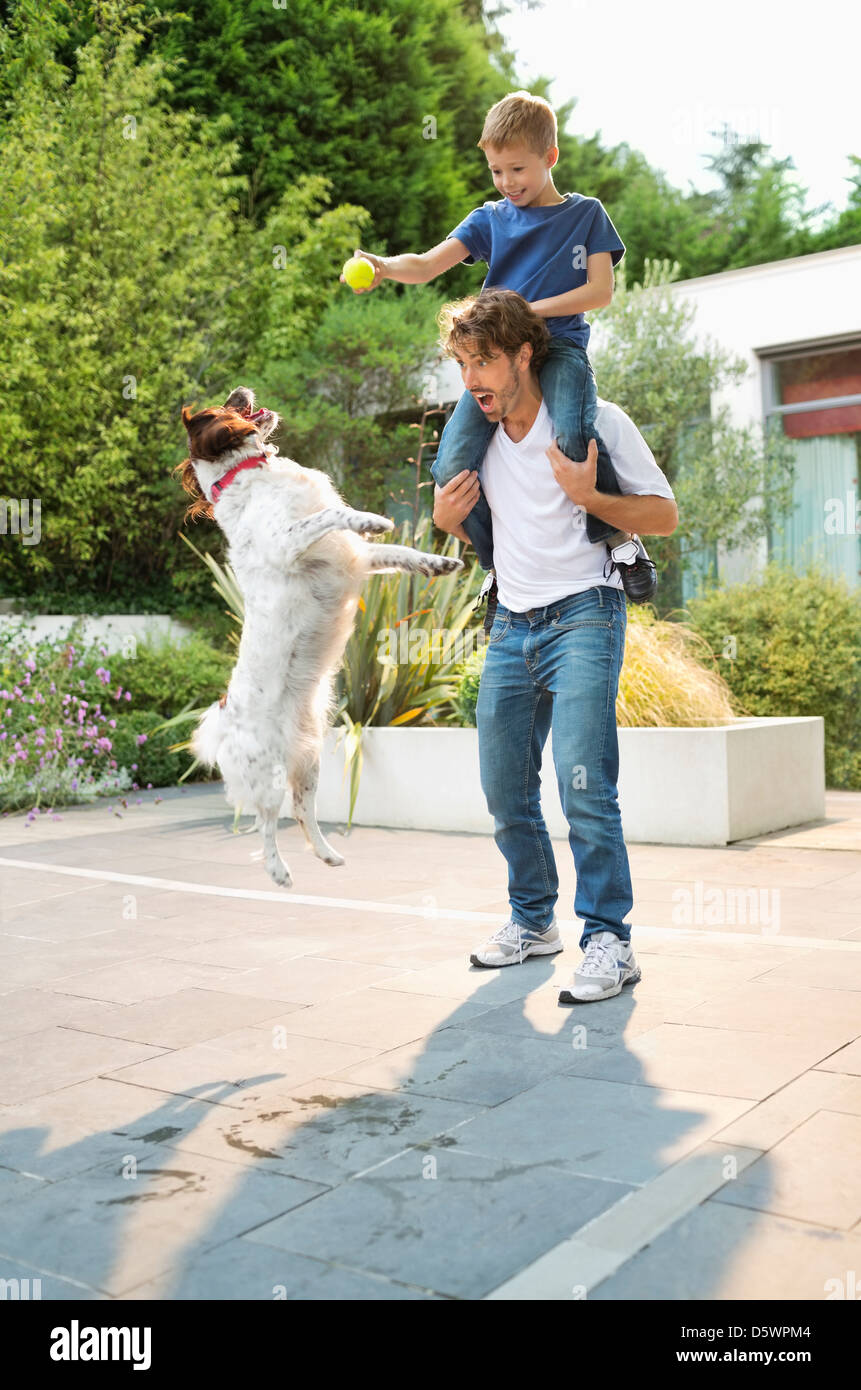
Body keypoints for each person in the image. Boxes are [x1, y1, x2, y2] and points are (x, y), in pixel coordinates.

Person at [432, 289, 678, 1003]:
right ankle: (532, 921)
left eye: (484, 359)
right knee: (505, 787)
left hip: (585, 612)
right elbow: (482, 532)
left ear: (523, 354)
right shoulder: (474, 441)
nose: (472, 377)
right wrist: (449, 525)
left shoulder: (595, 423)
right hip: (510, 620)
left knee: (583, 784)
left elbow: (662, 515)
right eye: (461, 363)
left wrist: (590, 495)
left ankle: (608, 938)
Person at [341, 89, 656, 603]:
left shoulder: (586, 216)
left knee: (576, 430)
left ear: (549, 157)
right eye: (495, 172)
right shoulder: (490, 219)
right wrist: (383, 266)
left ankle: (619, 542)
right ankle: (495, 564)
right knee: (450, 468)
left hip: (560, 349)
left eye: (517, 169)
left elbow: (600, 292)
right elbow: (425, 264)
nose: (507, 183)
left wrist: (529, 311)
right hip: (499, 362)